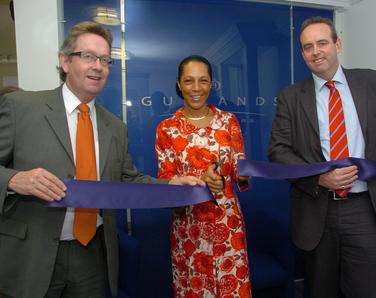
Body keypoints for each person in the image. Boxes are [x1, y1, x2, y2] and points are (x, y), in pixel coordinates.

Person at [0, 21, 203, 298]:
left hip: (92, 255)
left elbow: (127, 180)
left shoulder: (115, 126)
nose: (98, 66)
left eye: (105, 60)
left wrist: (170, 185)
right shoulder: (21, 107)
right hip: (32, 255)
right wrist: (15, 179)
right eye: (88, 56)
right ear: (65, 62)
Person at [268, 17, 376, 298]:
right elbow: (278, 150)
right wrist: (319, 178)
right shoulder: (290, 97)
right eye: (307, 47)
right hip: (316, 211)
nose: (316, 51)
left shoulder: (372, 81)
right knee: (322, 292)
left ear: (337, 44)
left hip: (366, 209)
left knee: (368, 291)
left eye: (322, 43)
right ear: (302, 54)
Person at [155, 55, 252, 297]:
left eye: (203, 81)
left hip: (227, 223)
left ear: (211, 84)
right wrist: (200, 180)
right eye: (189, 81)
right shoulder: (166, 128)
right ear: (179, 84)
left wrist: (235, 174)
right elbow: (166, 181)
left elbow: (241, 173)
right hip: (189, 227)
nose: (196, 88)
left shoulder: (229, 122)